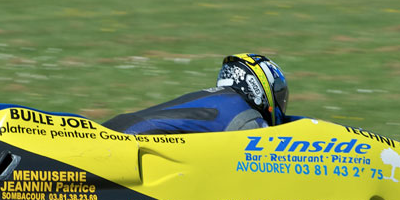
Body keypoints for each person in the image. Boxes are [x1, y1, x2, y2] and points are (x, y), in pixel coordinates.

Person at [104, 53, 301, 134]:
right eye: (278, 92)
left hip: (119, 127)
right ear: (256, 84)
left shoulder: (221, 99)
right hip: (129, 141)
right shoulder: (248, 119)